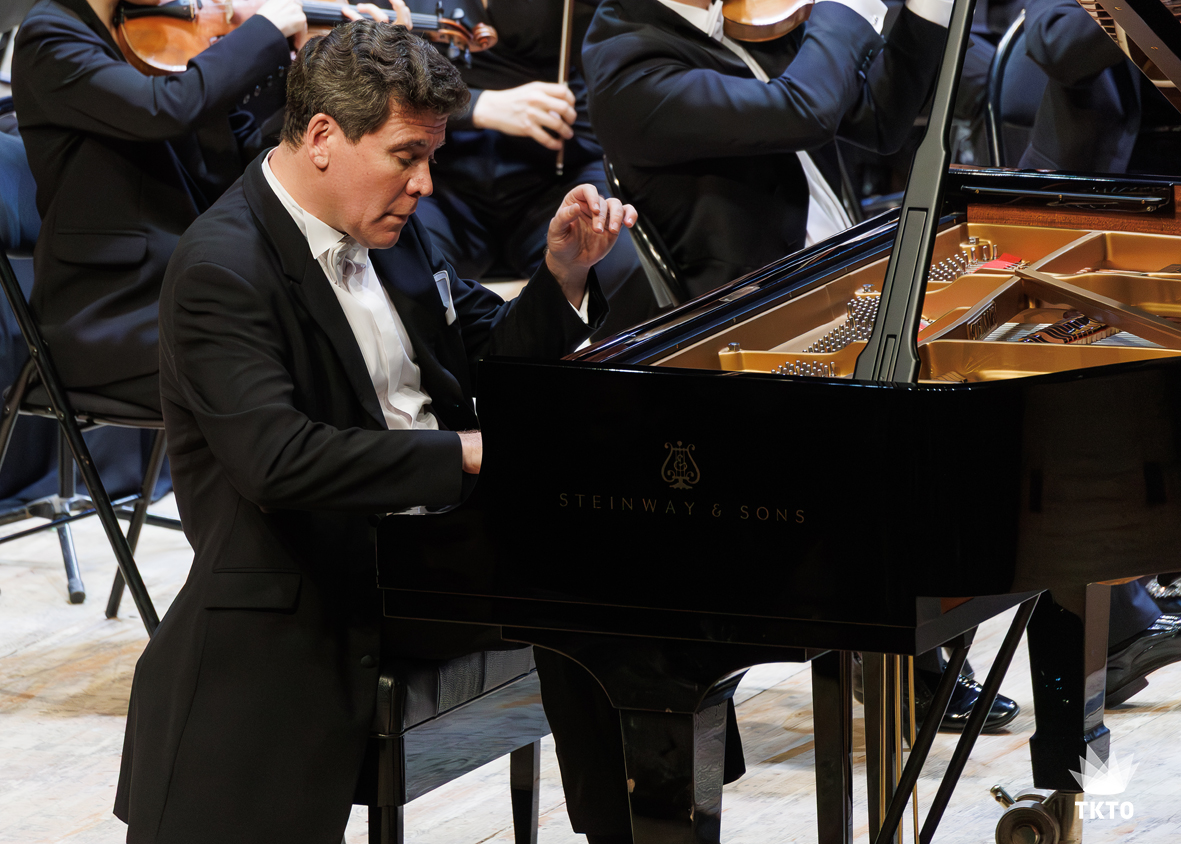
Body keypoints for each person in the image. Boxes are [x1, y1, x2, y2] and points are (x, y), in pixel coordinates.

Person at [112, 19, 638, 843]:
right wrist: (465, 453)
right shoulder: (223, 268)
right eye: (406, 155)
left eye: (430, 155)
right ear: (323, 136)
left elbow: (486, 352)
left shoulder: (391, 223)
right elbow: (277, 461)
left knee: (635, 572)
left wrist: (562, 276)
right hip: (319, 572)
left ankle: (639, 820)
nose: (425, 183)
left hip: (433, 550)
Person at [12, 0, 306, 412]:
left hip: (188, 289)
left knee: (326, 334)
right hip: (111, 313)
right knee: (292, 358)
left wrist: (309, 73)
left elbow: (236, 163)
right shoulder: (49, 37)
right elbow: (164, 109)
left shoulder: (155, 38)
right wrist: (261, 32)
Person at [581, 0, 953, 298]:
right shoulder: (626, 70)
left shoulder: (754, 13)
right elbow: (806, 111)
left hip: (848, 264)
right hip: (761, 313)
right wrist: (845, 5)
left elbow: (880, 120)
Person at [374, 0, 661, 339]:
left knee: (626, 266)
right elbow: (372, 91)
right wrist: (478, 105)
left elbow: (610, 73)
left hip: (554, 177)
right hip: (442, 181)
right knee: (398, 272)